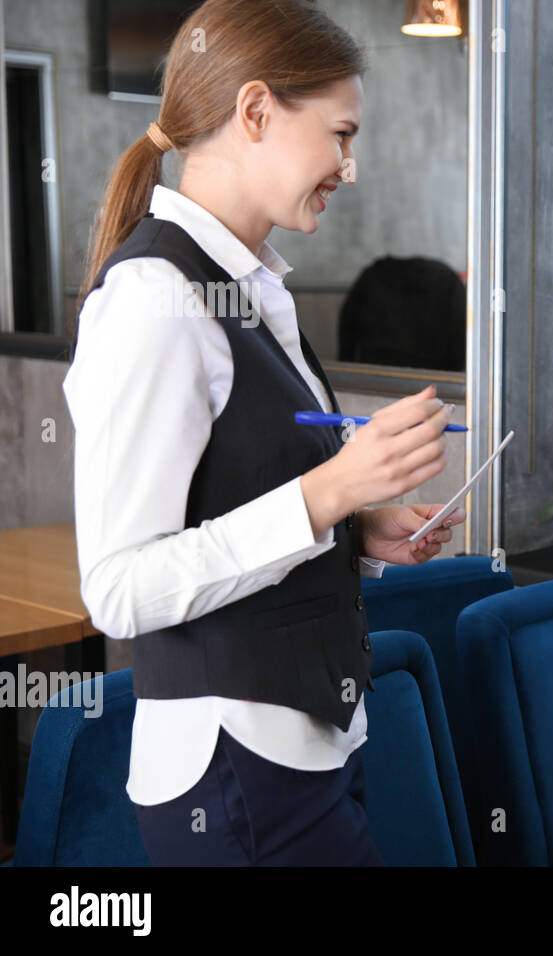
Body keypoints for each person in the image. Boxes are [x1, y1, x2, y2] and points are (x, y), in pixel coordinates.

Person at [62, 0, 463, 866]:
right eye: (340, 135)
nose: (348, 168)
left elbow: (239, 494)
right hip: (233, 773)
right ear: (254, 112)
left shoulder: (247, 285)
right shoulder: (155, 300)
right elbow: (119, 589)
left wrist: (352, 525)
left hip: (301, 751)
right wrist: (327, 493)